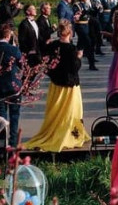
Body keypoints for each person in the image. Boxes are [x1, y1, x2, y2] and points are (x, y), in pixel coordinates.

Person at [24, 20, 90, 151]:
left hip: (56, 84)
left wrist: (52, 73)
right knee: (70, 111)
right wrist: (79, 57)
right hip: (70, 86)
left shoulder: (53, 45)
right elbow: (74, 68)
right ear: (70, 32)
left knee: (55, 111)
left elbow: (45, 62)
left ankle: (55, 130)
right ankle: (68, 133)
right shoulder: (71, 49)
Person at [18, 4, 42, 70]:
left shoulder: (35, 22)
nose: (35, 10)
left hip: (37, 51)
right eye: (33, 9)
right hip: (29, 54)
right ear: (28, 12)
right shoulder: (24, 24)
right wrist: (28, 51)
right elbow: (21, 40)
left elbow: (37, 37)